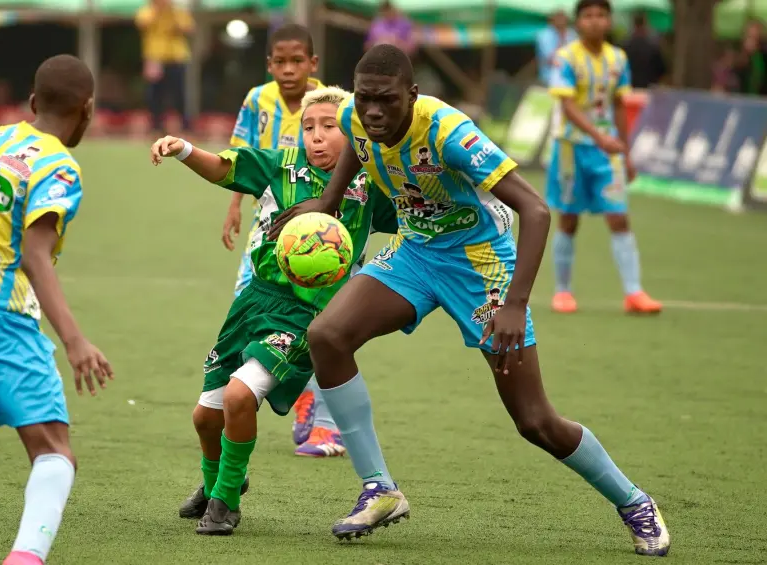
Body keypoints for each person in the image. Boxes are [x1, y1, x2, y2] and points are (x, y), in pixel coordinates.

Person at [269, 43, 671, 557]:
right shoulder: (355, 116)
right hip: (415, 253)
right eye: (365, 99)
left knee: (534, 421)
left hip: (482, 266)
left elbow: (537, 210)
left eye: (387, 101)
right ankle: (379, 487)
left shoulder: (446, 131)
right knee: (327, 335)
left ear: (412, 95)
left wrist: (516, 304)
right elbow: (355, 136)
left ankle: (634, 501)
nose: (373, 112)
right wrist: (327, 200)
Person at [150, 86, 397, 536]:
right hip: (254, 301)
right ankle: (221, 482)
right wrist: (183, 148)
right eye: (309, 128)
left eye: (329, 128)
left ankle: (224, 505)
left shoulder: (369, 187)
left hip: (308, 315)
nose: (317, 137)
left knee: (240, 396)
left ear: (351, 133)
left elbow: (414, 212)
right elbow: (227, 169)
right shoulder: (283, 166)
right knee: (206, 416)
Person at [0, 54, 113, 565]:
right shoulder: (57, 165)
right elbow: (36, 256)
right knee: (54, 453)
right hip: (3, 318)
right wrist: (75, 340)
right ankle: (25, 558)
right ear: (87, 110)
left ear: (33, 103)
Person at [220, 24, 339, 459]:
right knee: (249, 308)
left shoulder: (330, 102)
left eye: (297, 61)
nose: (288, 70)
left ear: (313, 64)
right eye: (280, 62)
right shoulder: (257, 100)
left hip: (321, 231)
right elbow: (242, 155)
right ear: (269, 64)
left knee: (318, 322)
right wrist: (234, 207)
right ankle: (238, 400)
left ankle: (321, 416)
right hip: (268, 226)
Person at [546, 0, 661, 315]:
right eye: (588, 16)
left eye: (601, 15)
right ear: (578, 22)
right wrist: (599, 138)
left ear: (609, 21)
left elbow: (620, 105)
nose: (595, 22)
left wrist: (626, 151)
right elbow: (566, 106)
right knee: (569, 220)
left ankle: (634, 293)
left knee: (619, 217)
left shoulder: (618, 58)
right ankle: (563, 291)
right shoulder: (566, 58)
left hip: (608, 152)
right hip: (571, 148)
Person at [135, 0, 194, 134]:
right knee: (155, 94)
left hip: (177, 57)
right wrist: (159, 10)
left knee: (179, 93)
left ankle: (185, 126)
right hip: (155, 58)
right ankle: (156, 126)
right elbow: (142, 23)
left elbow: (188, 28)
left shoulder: (178, 11)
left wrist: (172, 12)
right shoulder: (147, 10)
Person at [621, 12, 666, 89]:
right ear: (645, 25)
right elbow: (661, 70)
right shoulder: (653, 47)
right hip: (649, 88)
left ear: (634, 25)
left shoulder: (624, 46)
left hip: (629, 89)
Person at [536, 10, 577, 86]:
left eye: (563, 17)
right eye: (558, 17)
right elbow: (551, 59)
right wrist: (562, 38)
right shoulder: (544, 35)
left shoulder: (572, 33)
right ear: (552, 19)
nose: (561, 21)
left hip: (570, 79)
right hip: (548, 79)